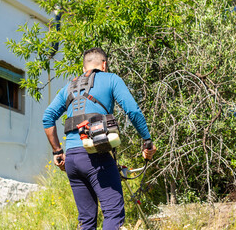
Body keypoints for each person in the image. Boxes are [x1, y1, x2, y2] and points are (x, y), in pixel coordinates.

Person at [42, 47, 157, 230]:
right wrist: (147, 141)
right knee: (113, 214)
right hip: (97, 156)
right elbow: (133, 111)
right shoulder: (111, 79)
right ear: (104, 64)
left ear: (83, 68)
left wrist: (58, 151)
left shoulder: (68, 88)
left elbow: (47, 117)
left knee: (87, 221)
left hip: (72, 160)